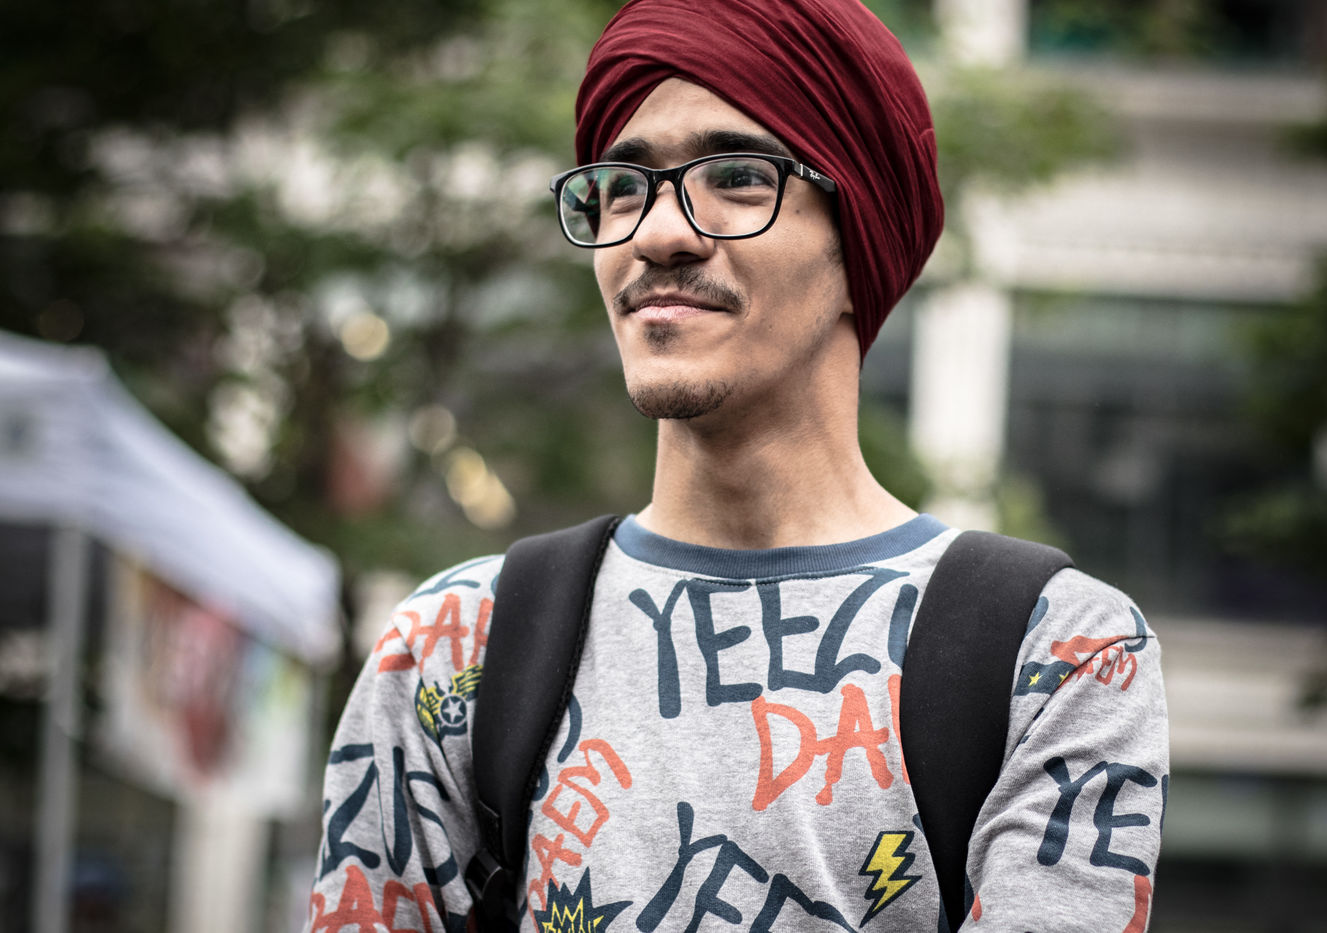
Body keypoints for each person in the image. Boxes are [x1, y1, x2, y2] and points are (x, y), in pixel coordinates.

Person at [306, 1, 1169, 931]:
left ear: (858, 239)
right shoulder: (452, 645)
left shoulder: (1059, 654)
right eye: (624, 187)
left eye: (737, 177)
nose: (657, 234)